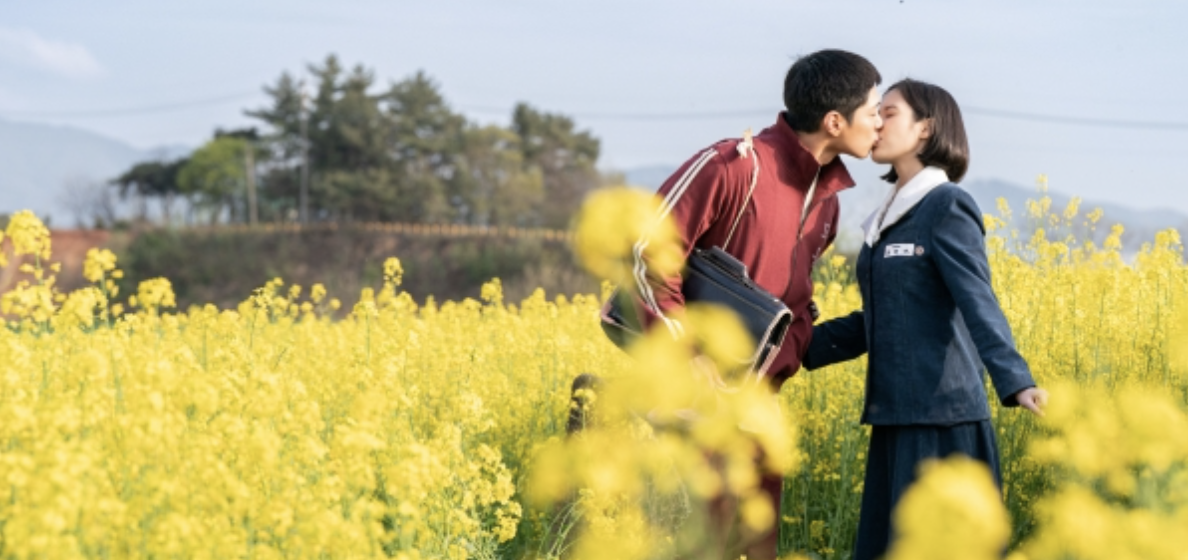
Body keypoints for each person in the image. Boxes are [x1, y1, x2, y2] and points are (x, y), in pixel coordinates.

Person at [626, 49, 883, 559]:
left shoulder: (829, 205)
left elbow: (795, 297)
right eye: (874, 111)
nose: (880, 123)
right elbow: (644, 255)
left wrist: (798, 342)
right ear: (835, 122)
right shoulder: (732, 165)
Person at [800, 78, 1048, 560]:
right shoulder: (888, 215)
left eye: (889, 113)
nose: (876, 122)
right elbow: (885, 316)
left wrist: (1017, 380)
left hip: (944, 419)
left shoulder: (945, 205)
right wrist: (797, 345)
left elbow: (978, 300)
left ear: (926, 129)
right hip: (895, 417)